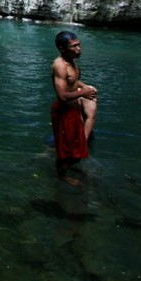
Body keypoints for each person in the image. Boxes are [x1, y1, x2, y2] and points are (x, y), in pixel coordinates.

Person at [50, 30, 98, 180]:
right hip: (64, 112)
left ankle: (62, 171)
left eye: (79, 45)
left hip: (74, 111)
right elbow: (63, 96)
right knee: (68, 151)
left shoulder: (72, 61)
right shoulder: (60, 66)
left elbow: (72, 82)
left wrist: (85, 86)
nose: (79, 49)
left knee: (77, 151)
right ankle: (61, 175)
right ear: (62, 49)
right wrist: (83, 93)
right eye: (74, 46)